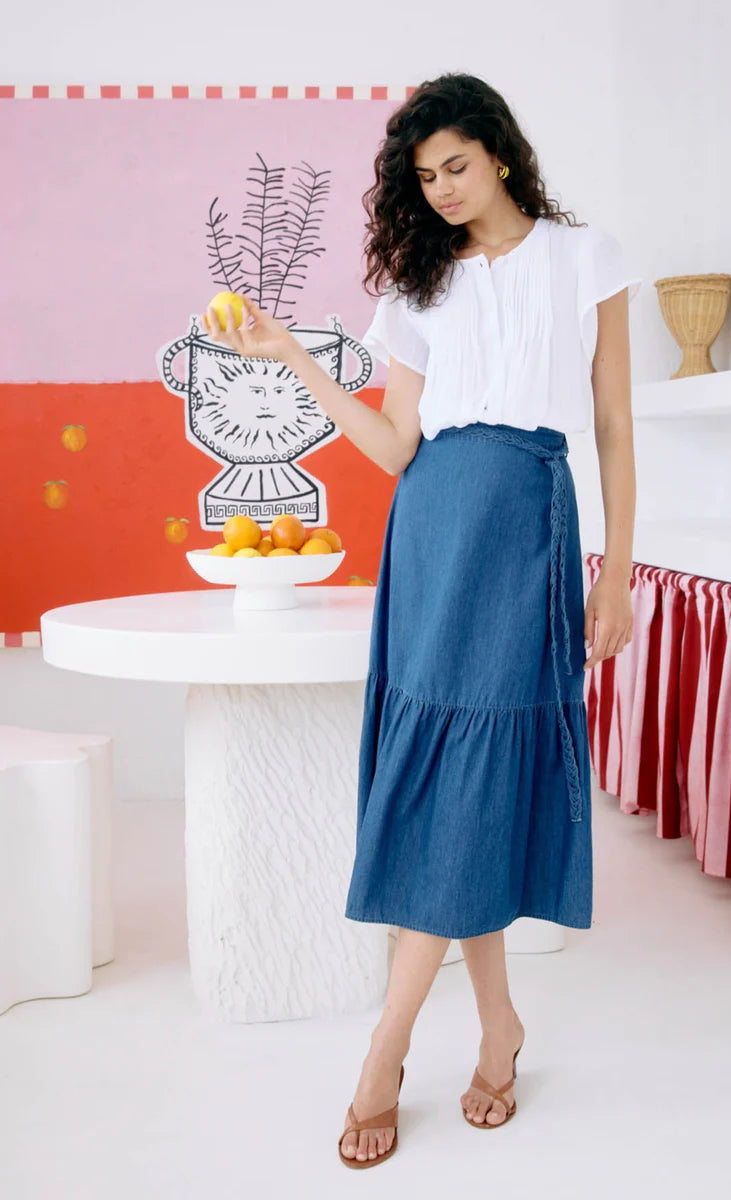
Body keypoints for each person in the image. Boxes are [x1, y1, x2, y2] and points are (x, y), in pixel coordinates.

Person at [202, 71, 640, 1169]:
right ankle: (493, 1029)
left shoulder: (585, 259)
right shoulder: (419, 287)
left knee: (471, 777)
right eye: (423, 176)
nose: (440, 189)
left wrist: (617, 572)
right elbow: (397, 444)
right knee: (452, 781)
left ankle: (386, 1047)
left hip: (526, 529)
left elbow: (612, 426)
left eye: (455, 165)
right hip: (432, 529)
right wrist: (295, 359)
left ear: (499, 154)